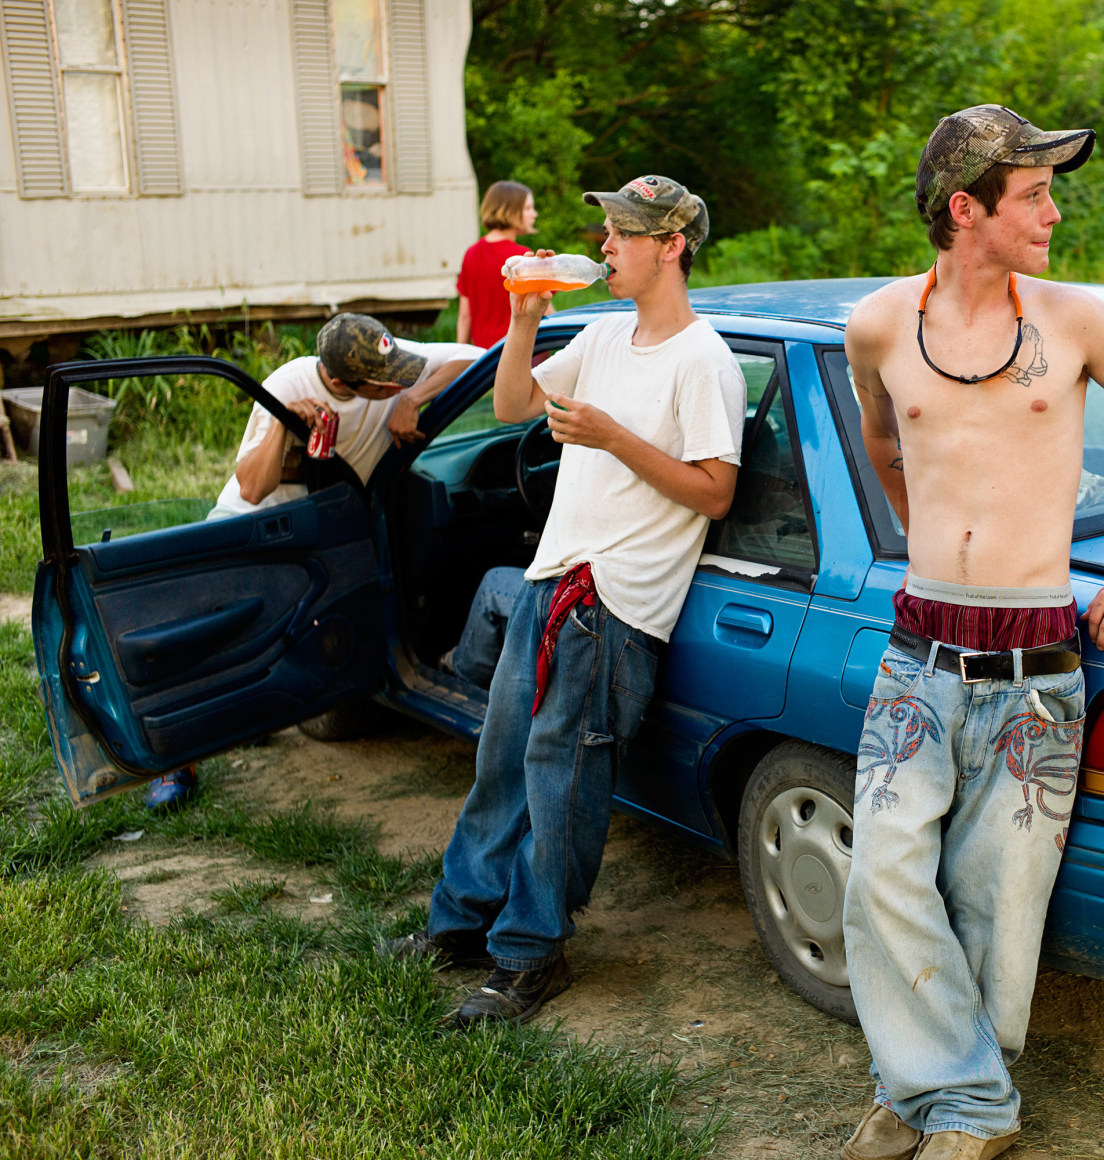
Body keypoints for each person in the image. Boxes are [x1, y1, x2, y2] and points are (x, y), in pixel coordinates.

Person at [837, 106, 1104, 1160]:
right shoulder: (877, 326)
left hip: (1034, 664)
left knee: (997, 897)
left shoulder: (1074, 321)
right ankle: (951, 1095)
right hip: (918, 653)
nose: (1053, 210)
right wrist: (932, 543)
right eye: (1033, 193)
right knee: (883, 877)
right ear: (966, 209)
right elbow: (881, 441)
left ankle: (940, 1102)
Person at [382, 176, 747, 1029]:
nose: (606, 246)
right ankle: (458, 926)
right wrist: (521, 316)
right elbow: (513, 405)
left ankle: (527, 958)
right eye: (606, 231)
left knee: (561, 786)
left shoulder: (704, 361)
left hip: (613, 608)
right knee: (500, 766)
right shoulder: (610, 335)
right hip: (552, 582)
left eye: (623, 233)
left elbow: (716, 493)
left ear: (671, 246)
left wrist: (612, 437)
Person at [209, 314, 481, 518]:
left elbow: (480, 358)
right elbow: (252, 491)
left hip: (327, 521)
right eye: (383, 386)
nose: (399, 383)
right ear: (340, 383)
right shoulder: (287, 386)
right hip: (251, 522)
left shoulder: (385, 358)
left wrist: (414, 398)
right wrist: (282, 424)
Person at [457, 180, 540, 348]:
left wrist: (462, 356)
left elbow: (464, 316)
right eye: (528, 208)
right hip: (517, 353)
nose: (534, 214)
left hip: (483, 359)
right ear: (510, 211)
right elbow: (544, 310)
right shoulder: (523, 257)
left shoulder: (471, 253)